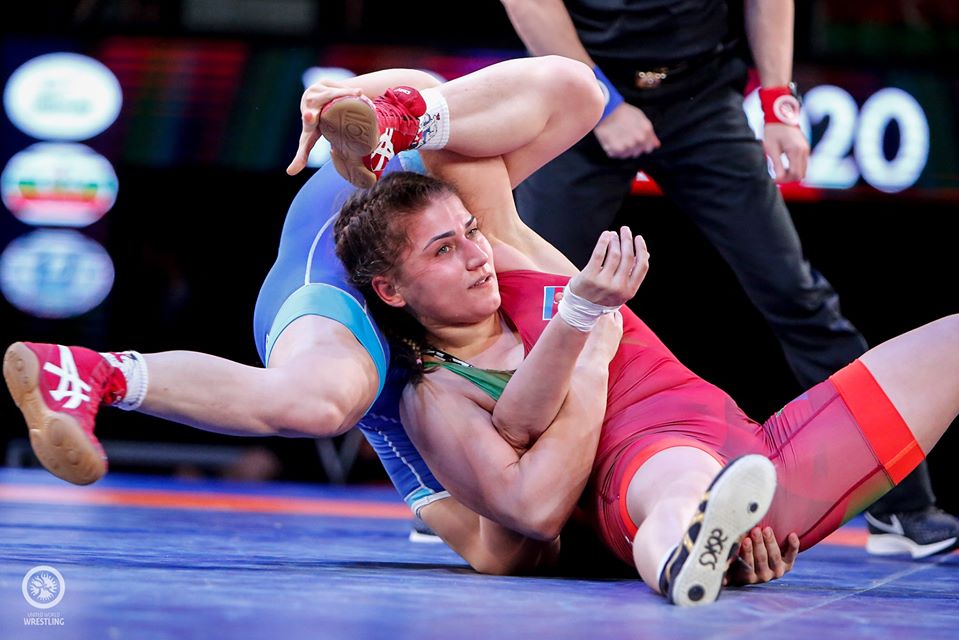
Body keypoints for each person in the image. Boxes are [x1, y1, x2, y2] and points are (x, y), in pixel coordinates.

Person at [3, 57, 793, 591]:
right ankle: (393, 113)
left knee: (329, 403)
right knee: (578, 95)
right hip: (386, 229)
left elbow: (507, 543)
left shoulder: (440, 430)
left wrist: (683, 542)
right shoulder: (500, 260)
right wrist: (583, 350)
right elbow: (531, 508)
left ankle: (92, 372)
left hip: (376, 290)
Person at [330, 128, 959, 605]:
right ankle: (686, 557)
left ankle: (714, 537)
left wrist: (404, 107)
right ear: (391, 290)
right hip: (644, 460)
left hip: (764, 455)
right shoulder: (434, 390)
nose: (476, 254)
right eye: (444, 250)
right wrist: (583, 339)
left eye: (471, 230)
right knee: (682, 482)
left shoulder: (511, 261)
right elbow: (531, 504)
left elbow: (559, 94)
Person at [498, 0, 959, 558]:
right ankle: (482, 500)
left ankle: (902, 509)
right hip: (583, 93)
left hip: (699, 95)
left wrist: (779, 104)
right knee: (525, 297)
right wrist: (606, 102)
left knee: (795, 293)